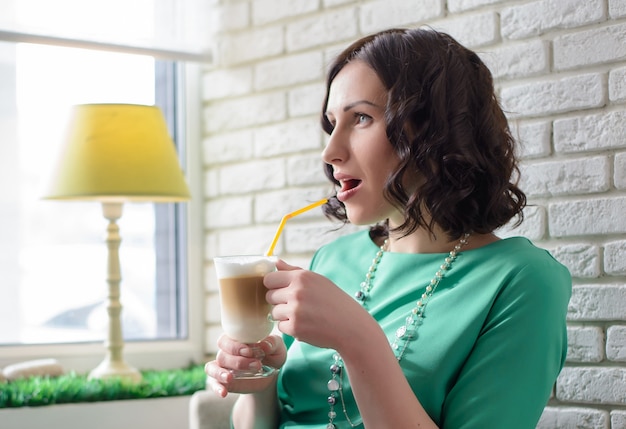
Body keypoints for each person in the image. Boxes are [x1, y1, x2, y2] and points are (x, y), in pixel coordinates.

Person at [205, 27, 571, 429]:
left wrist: (357, 339)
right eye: (332, 123)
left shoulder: (522, 281)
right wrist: (260, 382)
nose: (330, 152)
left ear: (435, 130)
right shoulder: (332, 261)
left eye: (361, 118)